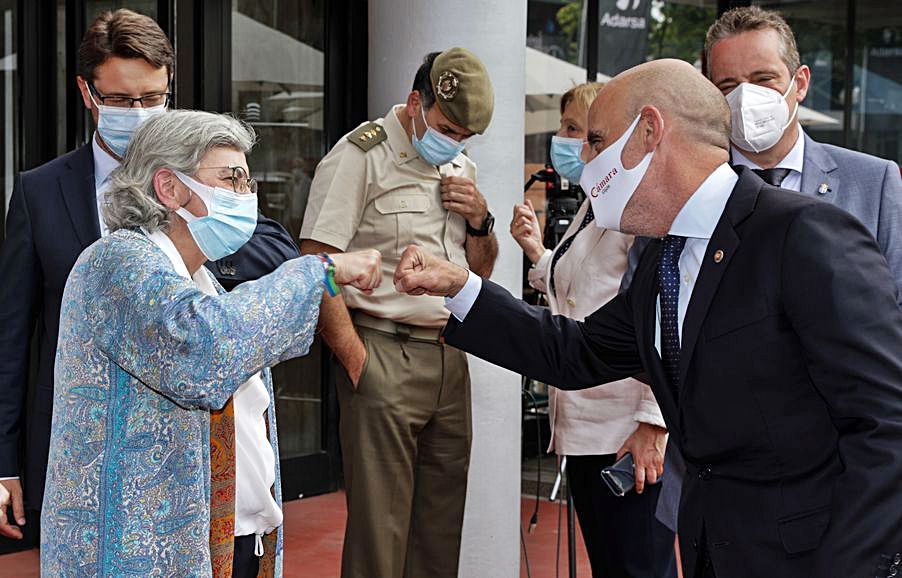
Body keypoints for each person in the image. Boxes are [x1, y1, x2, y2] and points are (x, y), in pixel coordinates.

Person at [394, 59, 902, 578]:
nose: (585, 159)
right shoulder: (663, 260)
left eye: (595, 140)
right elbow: (574, 352)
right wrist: (461, 288)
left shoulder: (802, 235)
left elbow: (886, 425)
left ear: (650, 132)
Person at [0, 9, 300, 548]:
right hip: (81, 447)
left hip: (193, 449)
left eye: (151, 98)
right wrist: (3, 463)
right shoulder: (40, 191)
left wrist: (195, 252)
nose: (136, 112)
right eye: (119, 99)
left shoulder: (206, 168)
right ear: (87, 93)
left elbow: (275, 245)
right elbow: (12, 335)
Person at [40, 109, 381, 577]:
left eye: (248, 182)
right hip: (142, 553)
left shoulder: (201, 280)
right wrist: (317, 270)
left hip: (232, 539)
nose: (246, 196)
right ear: (170, 188)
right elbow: (203, 348)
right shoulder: (116, 262)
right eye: (232, 179)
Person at [622, 4, 902, 538]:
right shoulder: (679, 194)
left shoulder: (874, 182)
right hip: (715, 504)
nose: (744, 96)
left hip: (837, 500)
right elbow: (644, 331)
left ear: (798, 83)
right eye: (726, 83)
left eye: (762, 79)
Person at [299, 48, 498, 578]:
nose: (453, 143)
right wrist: (356, 358)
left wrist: (481, 219)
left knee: (439, 530)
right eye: (446, 127)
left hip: (449, 355)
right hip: (382, 351)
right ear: (415, 102)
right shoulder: (360, 156)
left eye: (464, 136)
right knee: (380, 536)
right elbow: (315, 264)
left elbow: (481, 271)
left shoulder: (460, 166)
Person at [511, 81, 675, 577]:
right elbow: (581, 289)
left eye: (581, 133)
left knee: (637, 564)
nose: (572, 145)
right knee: (610, 563)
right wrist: (539, 253)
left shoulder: (639, 206)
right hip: (584, 424)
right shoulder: (596, 201)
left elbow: (664, 309)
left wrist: (654, 421)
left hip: (625, 428)